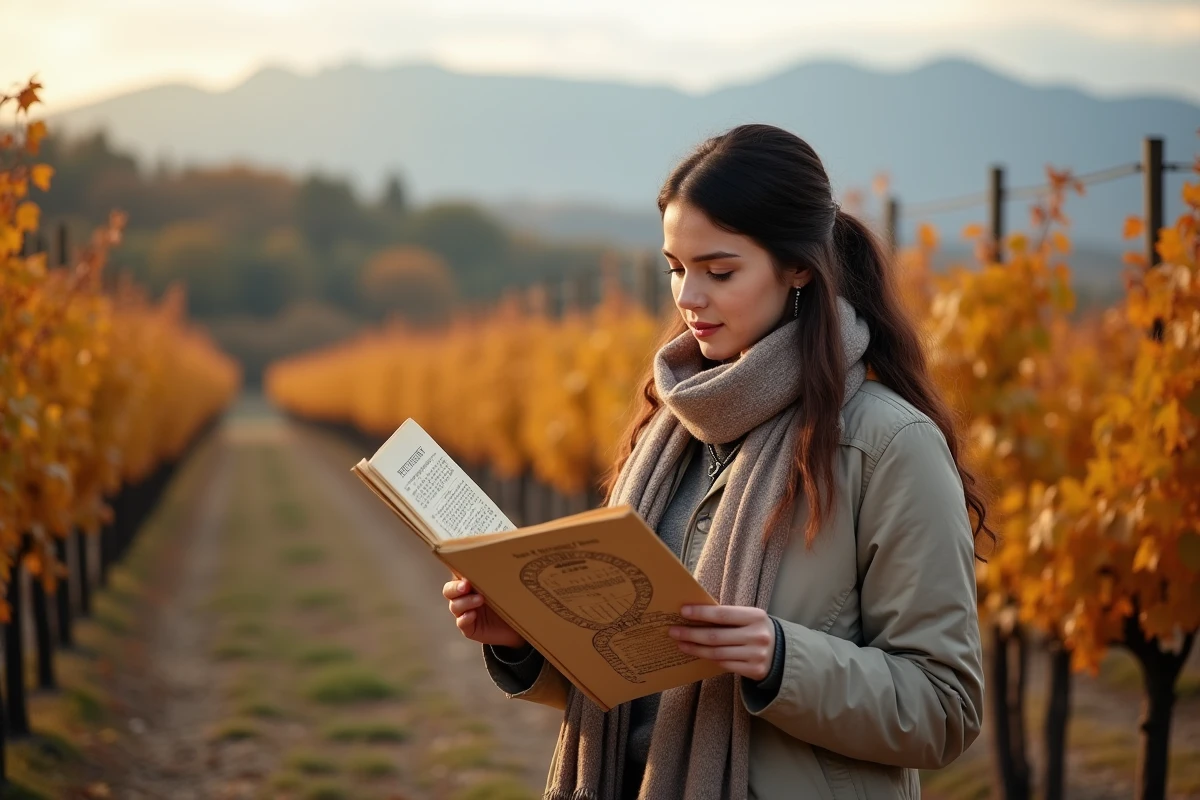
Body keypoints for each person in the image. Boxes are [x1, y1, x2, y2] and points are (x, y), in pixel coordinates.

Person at [443, 123, 988, 800]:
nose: (687, 299)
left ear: (798, 267)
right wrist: (523, 642)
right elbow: (635, 682)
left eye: (719, 271)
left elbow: (945, 708)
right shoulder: (669, 426)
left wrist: (781, 659)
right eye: (675, 268)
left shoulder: (886, 445)